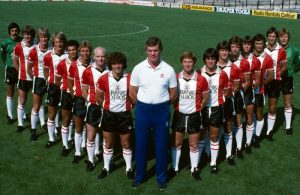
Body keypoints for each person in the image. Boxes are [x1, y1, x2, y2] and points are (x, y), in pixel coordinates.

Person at [129, 37, 177, 190]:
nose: (152, 54)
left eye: (155, 50)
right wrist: (144, 104)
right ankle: (139, 176)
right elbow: (132, 92)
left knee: (162, 145)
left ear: (160, 50)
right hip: (142, 109)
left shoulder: (168, 69)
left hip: (161, 111)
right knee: (141, 144)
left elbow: (173, 94)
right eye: (149, 51)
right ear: (146, 51)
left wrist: (161, 104)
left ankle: (161, 177)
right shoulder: (138, 68)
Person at [169, 51, 209, 180]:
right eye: (185, 62)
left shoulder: (201, 79)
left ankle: (194, 168)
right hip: (179, 115)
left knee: (193, 144)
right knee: (177, 143)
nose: (187, 64)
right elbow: (172, 96)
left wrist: (197, 108)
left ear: (194, 63)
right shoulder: (175, 78)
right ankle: (175, 168)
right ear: (181, 63)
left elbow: (205, 97)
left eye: (190, 62)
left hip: (194, 116)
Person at [96, 51, 134, 179]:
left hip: (124, 116)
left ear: (124, 65)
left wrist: (129, 106)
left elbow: (135, 98)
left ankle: (129, 168)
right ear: (110, 65)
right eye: (114, 63)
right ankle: (106, 168)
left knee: (126, 143)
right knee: (108, 144)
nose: (117, 66)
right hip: (109, 116)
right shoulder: (104, 79)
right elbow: (98, 97)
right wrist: (107, 107)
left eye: (120, 63)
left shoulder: (130, 78)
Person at [200, 48, 229, 174]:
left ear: (216, 60)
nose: (210, 61)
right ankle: (202, 157)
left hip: (216, 108)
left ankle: (213, 163)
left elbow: (227, 91)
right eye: (208, 58)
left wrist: (220, 100)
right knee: (202, 135)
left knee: (213, 135)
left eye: (212, 58)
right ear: (205, 60)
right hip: (202, 109)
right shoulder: (199, 72)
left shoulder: (222, 74)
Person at [82, 47, 108, 171]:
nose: (100, 59)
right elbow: (84, 89)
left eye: (103, 56)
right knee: (91, 135)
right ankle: (90, 160)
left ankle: (106, 159)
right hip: (93, 106)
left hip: (107, 107)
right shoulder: (88, 71)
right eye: (98, 56)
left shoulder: (110, 70)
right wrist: (89, 102)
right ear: (94, 57)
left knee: (106, 135)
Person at [217, 40, 241, 165]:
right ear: (218, 52)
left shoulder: (234, 67)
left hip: (227, 101)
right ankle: (207, 153)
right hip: (214, 103)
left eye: (226, 50)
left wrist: (227, 95)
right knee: (211, 129)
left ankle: (229, 154)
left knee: (228, 127)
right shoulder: (211, 65)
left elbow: (237, 86)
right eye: (222, 50)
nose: (224, 52)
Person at [68, 40, 92, 163]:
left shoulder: (95, 64)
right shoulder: (74, 65)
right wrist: (75, 97)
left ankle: (94, 152)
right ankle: (78, 153)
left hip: (92, 102)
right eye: (83, 51)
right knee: (78, 127)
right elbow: (70, 83)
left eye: (87, 51)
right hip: (79, 100)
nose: (85, 53)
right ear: (79, 52)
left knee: (93, 128)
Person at [43, 32, 68, 148]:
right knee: (52, 113)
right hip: (53, 87)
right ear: (53, 43)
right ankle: (51, 138)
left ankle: (68, 139)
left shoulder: (68, 55)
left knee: (66, 115)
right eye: (57, 42)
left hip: (65, 88)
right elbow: (46, 72)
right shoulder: (48, 55)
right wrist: (50, 81)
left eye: (61, 42)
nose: (59, 44)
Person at [55, 40, 79, 156]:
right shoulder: (62, 64)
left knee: (80, 121)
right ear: (67, 51)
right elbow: (57, 80)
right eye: (69, 50)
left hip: (80, 94)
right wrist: (64, 89)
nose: (72, 52)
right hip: (66, 94)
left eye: (74, 49)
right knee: (66, 119)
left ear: (77, 50)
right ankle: (65, 145)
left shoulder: (83, 62)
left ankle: (81, 145)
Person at [27, 27, 51, 141]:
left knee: (52, 105)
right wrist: (35, 79)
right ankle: (33, 130)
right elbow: (28, 69)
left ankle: (51, 126)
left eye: (45, 37)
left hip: (50, 80)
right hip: (38, 80)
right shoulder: (34, 50)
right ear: (38, 38)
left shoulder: (52, 50)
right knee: (36, 106)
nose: (44, 39)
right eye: (41, 37)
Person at [229, 35, 251, 159]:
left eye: (237, 46)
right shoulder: (224, 59)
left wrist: (236, 91)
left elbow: (247, 82)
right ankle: (226, 147)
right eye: (232, 46)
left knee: (238, 121)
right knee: (226, 122)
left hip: (237, 95)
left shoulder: (244, 61)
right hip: (224, 96)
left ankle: (238, 148)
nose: (235, 49)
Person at [264, 26, 287, 140]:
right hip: (262, 81)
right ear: (267, 36)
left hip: (275, 82)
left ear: (276, 37)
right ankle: (254, 131)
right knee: (256, 107)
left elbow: (284, 66)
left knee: (272, 108)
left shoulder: (281, 50)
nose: (272, 38)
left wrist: (276, 75)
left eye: (274, 36)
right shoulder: (262, 48)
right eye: (270, 36)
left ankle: (269, 131)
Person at [13, 25, 36, 134]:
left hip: (35, 78)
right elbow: (15, 61)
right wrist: (20, 73)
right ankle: (20, 124)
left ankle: (40, 123)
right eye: (25, 34)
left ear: (32, 35)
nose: (27, 36)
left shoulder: (36, 46)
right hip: (23, 78)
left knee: (37, 103)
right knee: (22, 100)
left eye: (29, 34)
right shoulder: (18, 46)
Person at [252, 34, 274, 147]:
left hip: (259, 91)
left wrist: (262, 84)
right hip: (247, 91)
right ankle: (248, 137)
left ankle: (256, 136)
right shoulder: (248, 56)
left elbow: (271, 75)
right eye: (257, 43)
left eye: (261, 43)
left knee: (259, 113)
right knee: (249, 114)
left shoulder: (267, 58)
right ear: (254, 44)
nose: (259, 46)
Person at [241, 35, 261, 153]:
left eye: (248, 44)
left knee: (249, 117)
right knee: (236, 119)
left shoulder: (255, 60)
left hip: (248, 92)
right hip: (237, 91)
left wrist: (249, 89)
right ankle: (236, 143)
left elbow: (258, 80)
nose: (246, 46)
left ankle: (248, 142)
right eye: (244, 44)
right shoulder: (236, 58)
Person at [278, 28, 300, 135]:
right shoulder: (275, 49)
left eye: (285, 36)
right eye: (281, 36)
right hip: (275, 78)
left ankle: (288, 127)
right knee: (272, 103)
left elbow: (298, 63)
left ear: (289, 38)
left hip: (288, 78)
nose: (283, 39)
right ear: (279, 38)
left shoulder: (294, 50)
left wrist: (292, 70)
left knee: (287, 103)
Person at [1, 22, 22, 124]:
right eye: (12, 31)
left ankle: (21, 115)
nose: (14, 32)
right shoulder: (5, 43)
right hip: (9, 69)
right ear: (9, 31)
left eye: (16, 30)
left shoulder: (21, 41)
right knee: (10, 92)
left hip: (20, 69)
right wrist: (7, 63)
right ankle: (10, 115)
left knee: (20, 93)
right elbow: (3, 55)